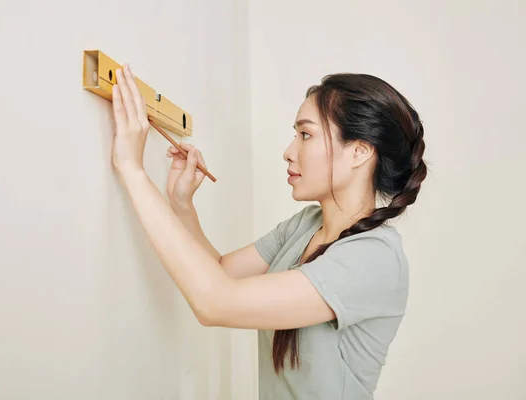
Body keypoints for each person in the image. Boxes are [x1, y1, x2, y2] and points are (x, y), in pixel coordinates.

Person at [111, 65, 427, 400]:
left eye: (305, 135)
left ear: (359, 152)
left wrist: (132, 170)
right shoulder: (306, 223)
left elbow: (216, 303)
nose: (289, 151)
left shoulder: (373, 257)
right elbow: (219, 274)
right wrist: (181, 202)